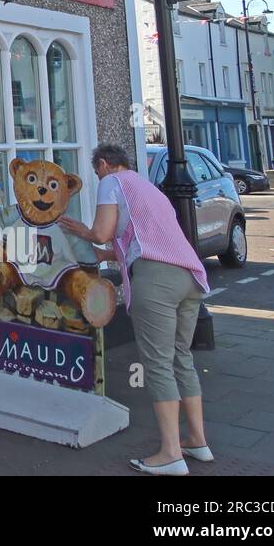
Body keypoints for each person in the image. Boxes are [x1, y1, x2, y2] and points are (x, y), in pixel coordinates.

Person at [58, 143, 212, 476]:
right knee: (181, 357)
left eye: (96, 171)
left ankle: (171, 453)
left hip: (157, 281)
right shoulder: (148, 189)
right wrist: (107, 256)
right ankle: (198, 441)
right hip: (190, 277)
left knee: (157, 365)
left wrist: (81, 231)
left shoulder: (112, 182)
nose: (97, 176)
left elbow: (102, 232)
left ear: (104, 164)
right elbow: (145, 240)